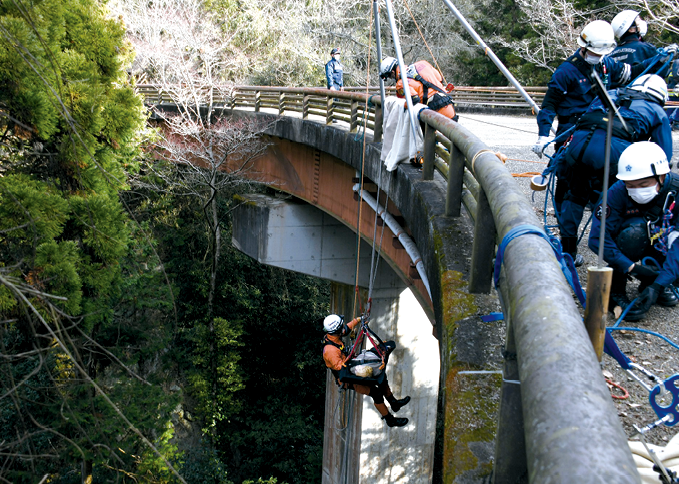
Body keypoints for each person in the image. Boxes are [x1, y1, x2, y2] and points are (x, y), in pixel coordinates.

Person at [531, 20, 675, 211]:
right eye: (595, 53)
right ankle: (561, 217)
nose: (598, 57)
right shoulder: (565, 72)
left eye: (601, 54)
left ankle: (601, 215)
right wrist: (542, 135)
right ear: (584, 47)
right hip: (571, 129)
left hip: (601, 124)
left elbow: (632, 72)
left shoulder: (605, 63)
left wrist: (659, 58)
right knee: (567, 175)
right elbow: (549, 105)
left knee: (601, 177)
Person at [558, 74, 672, 266]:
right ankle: (618, 260)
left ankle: (567, 252)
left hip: (577, 145)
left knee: (574, 196)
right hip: (615, 151)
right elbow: (662, 156)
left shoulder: (610, 93)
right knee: (616, 202)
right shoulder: (657, 111)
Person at [588, 141, 679, 322]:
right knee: (634, 234)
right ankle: (615, 288)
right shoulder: (617, 192)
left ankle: (654, 282)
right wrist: (630, 266)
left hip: (661, 242)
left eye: (643, 184)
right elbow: (598, 238)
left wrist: (659, 284)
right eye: (630, 185)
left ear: (661, 176)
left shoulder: (676, 191)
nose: (636, 190)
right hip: (633, 240)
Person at [321, 314, 410, 427]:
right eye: (341, 326)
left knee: (380, 376)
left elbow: (346, 329)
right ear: (336, 329)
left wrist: (358, 320)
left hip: (350, 365)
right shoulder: (330, 351)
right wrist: (351, 356)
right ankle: (390, 420)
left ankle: (394, 403)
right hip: (348, 378)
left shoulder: (333, 336)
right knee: (376, 393)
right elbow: (342, 369)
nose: (343, 327)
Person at [378, 56, 457, 121]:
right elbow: (440, 79)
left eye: (390, 76)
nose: (392, 78)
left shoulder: (401, 83)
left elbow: (414, 99)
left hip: (434, 111)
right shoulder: (422, 63)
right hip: (447, 104)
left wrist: (403, 107)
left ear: (392, 72)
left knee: (431, 138)